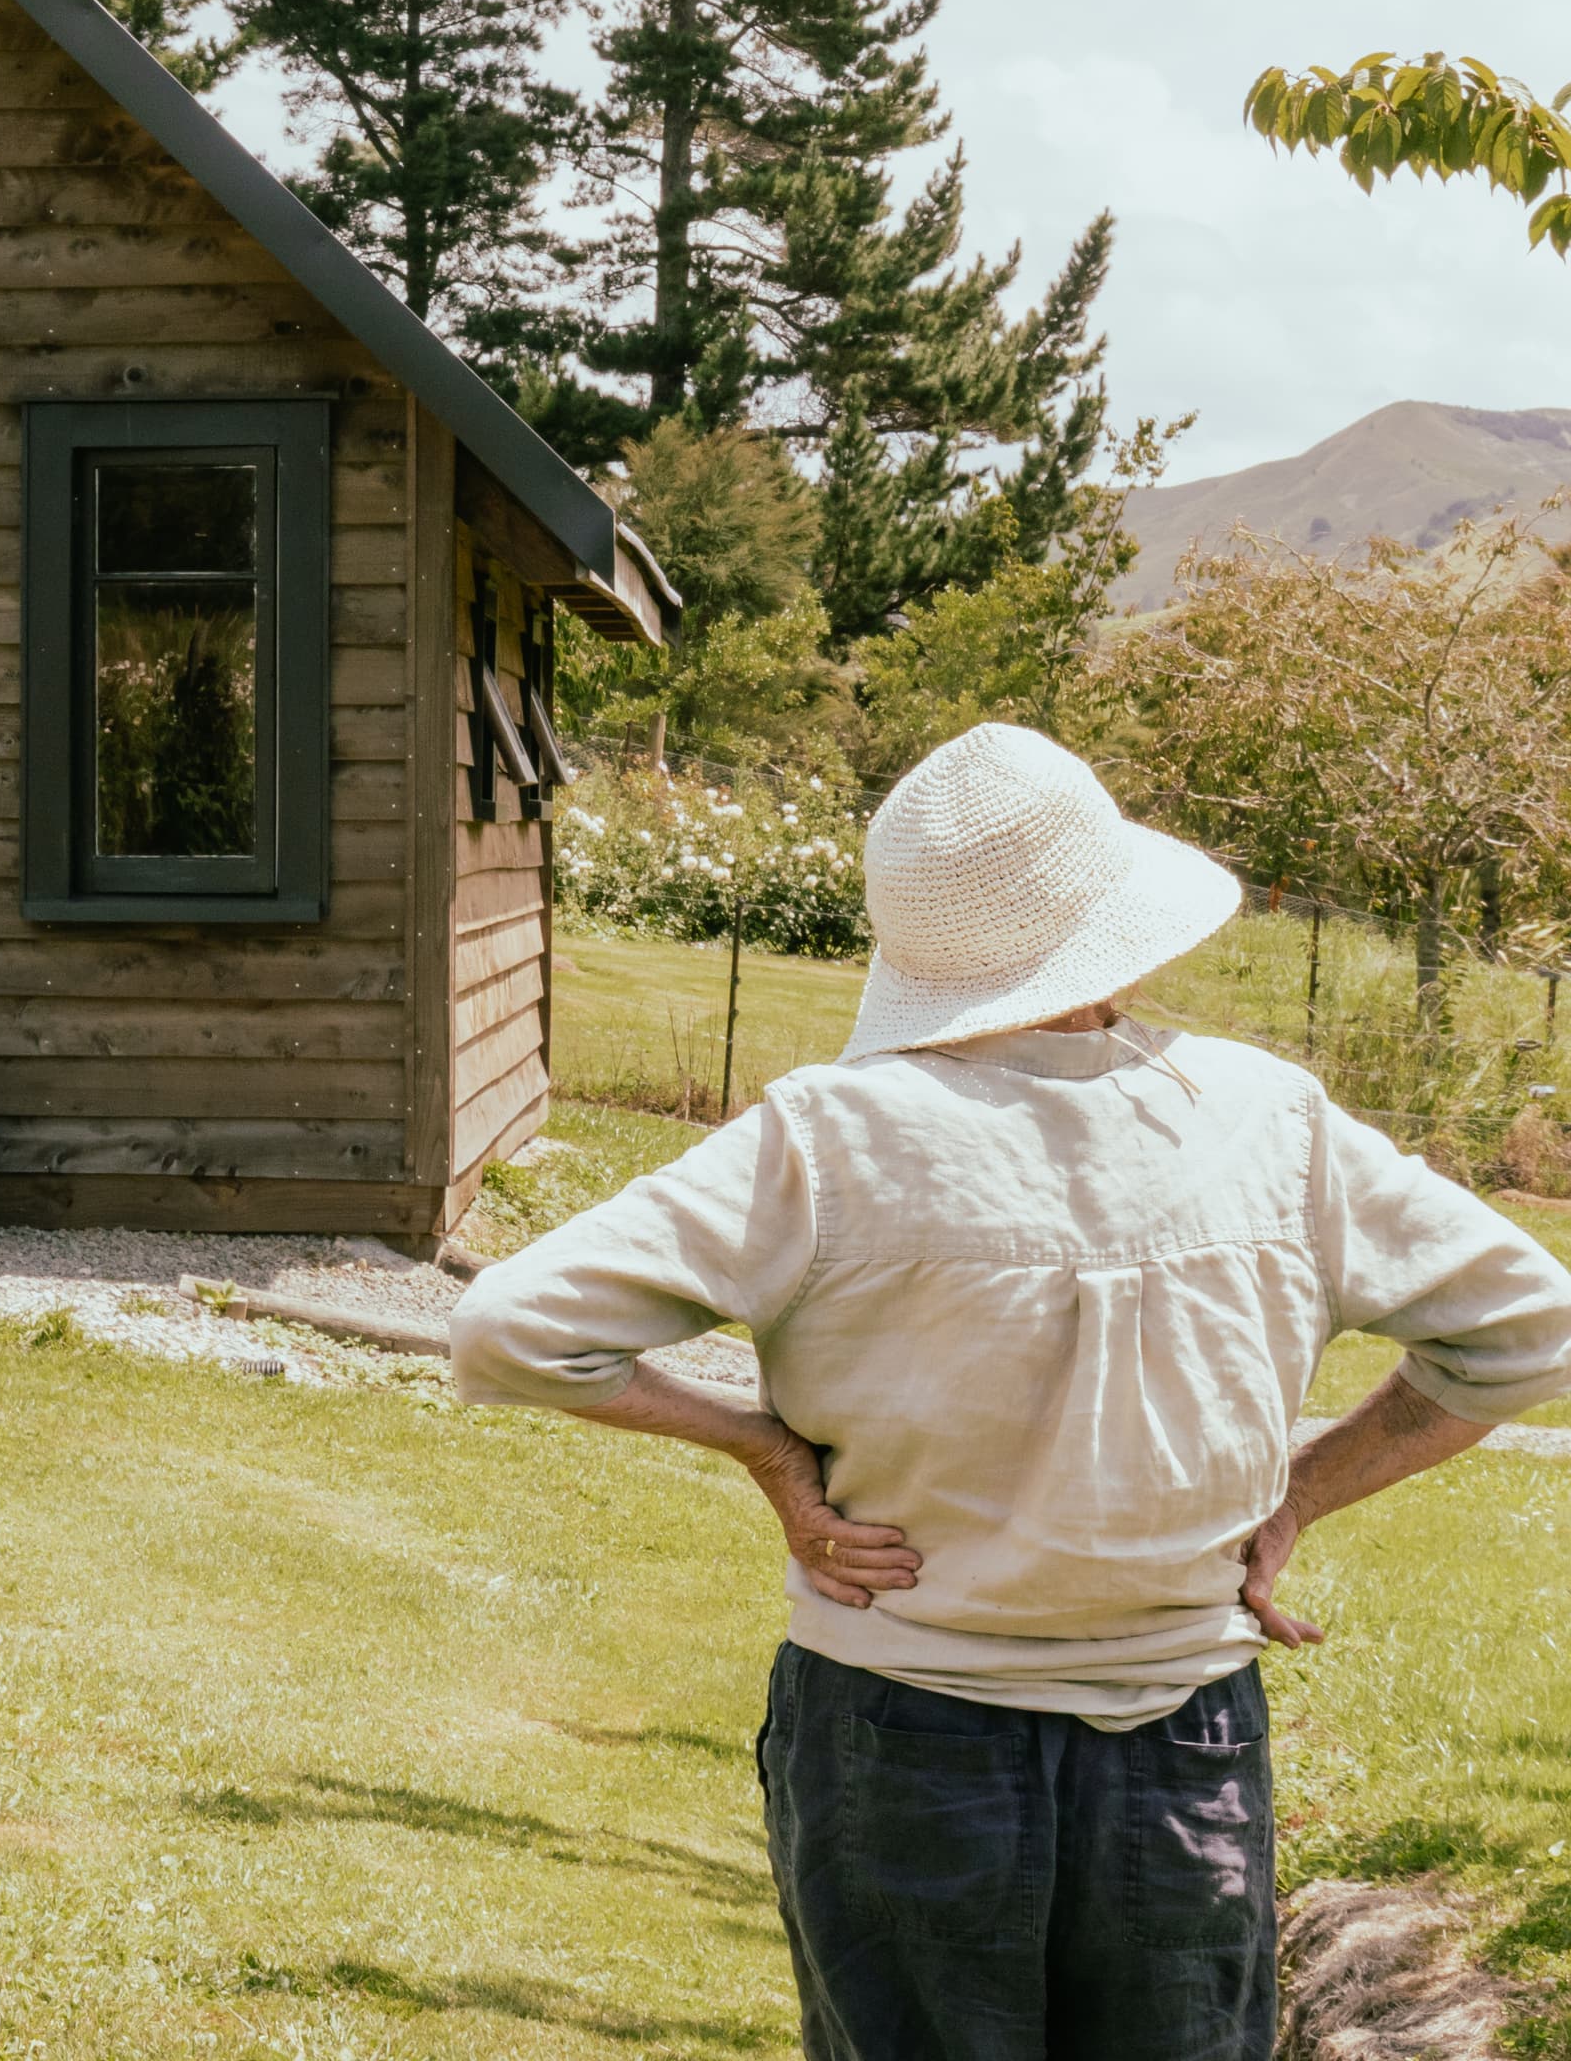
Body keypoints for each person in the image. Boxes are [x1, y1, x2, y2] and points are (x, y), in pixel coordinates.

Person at [450, 722, 1571, 2060]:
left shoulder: (831, 1138)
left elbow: (511, 1330)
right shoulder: (1275, 1124)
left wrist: (762, 1450)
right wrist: (1296, 1500)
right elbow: (1526, 1331)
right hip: (1182, 1748)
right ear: (1117, 927)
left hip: (898, 1734)